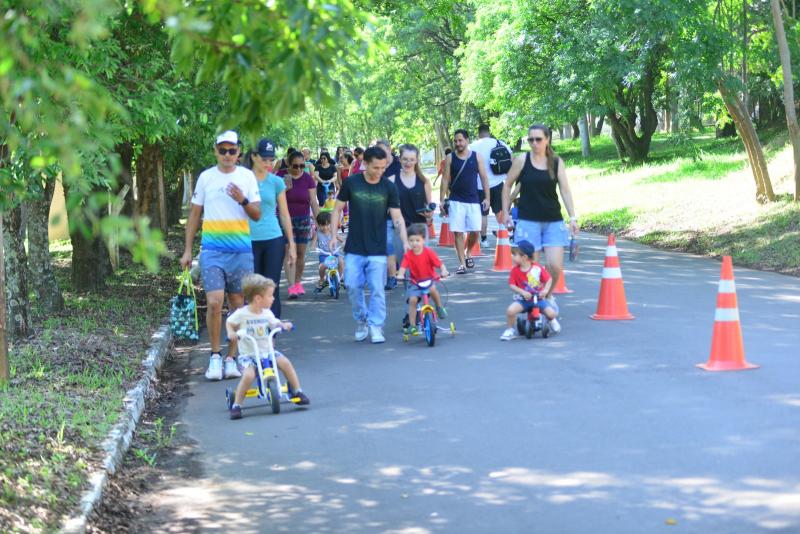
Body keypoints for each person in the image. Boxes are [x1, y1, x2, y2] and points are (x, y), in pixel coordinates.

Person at [180, 130, 262, 381]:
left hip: (240, 251)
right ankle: (215, 356)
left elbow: (257, 214)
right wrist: (187, 250)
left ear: (239, 152)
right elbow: (194, 215)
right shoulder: (206, 178)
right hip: (212, 250)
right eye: (222, 150)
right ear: (216, 151)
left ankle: (231, 358)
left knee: (237, 305)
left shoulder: (247, 177)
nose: (227, 155)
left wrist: (242, 199)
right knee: (215, 302)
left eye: (232, 150)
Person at [330, 146, 409, 343]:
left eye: (383, 168)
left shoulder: (388, 187)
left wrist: (405, 241)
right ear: (365, 163)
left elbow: (397, 216)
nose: (380, 172)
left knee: (377, 288)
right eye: (376, 167)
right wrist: (333, 235)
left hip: (377, 247)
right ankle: (362, 319)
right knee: (352, 285)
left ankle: (376, 325)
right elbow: (337, 209)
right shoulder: (351, 183)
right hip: (355, 247)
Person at [502, 124, 578, 298]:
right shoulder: (522, 160)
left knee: (555, 266)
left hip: (553, 220)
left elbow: (565, 190)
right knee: (531, 266)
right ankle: (531, 301)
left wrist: (573, 217)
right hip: (528, 220)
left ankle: (546, 296)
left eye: (538, 139)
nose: (534, 143)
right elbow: (507, 185)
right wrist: (506, 213)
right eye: (531, 140)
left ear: (547, 140)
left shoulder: (556, 162)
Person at [225, 274, 310, 419]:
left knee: (285, 363)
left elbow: (275, 323)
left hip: (267, 352)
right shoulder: (242, 314)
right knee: (249, 375)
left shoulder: (267, 313)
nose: (273, 298)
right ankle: (237, 405)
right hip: (249, 355)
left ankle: (297, 391)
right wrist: (231, 332)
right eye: (270, 296)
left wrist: (283, 325)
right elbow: (229, 322)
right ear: (258, 298)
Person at [246, 138, 297, 318]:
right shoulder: (242, 179)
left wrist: (291, 244)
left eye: (271, 159)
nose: (268, 163)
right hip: (247, 241)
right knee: (253, 290)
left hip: (273, 239)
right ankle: (255, 336)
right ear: (253, 157)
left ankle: (270, 338)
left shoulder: (276, 182)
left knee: (270, 288)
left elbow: (284, 214)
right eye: (264, 159)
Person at [439, 129, 490, 275]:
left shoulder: (476, 157)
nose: (457, 143)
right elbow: (444, 179)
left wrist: (487, 197)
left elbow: (484, 178)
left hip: (473, 200)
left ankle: (468, 252)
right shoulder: (450, 158)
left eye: (460, 140)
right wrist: (441, 199)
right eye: (455, 141)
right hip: (456, 200)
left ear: (467, 140)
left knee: (475, 230)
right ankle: (462, 263)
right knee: (458, 233)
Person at [277, 151, 321, 298]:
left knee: (301, 253)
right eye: (296, 166)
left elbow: (313, 202)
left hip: (303, 219)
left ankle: (297, 282)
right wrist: (285, 188)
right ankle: (290, 286)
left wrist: (320, 221)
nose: (299, 169)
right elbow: (273, 198)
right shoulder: (280, 176)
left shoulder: (308, 179)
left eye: (302, 165)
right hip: (285, 219)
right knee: (289, 251)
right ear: (289, 164)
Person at [500, 240, 560, 341]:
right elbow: (512, 285)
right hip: (524, 300)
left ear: (524, 257)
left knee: (551, 314)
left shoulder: (537, 268)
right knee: (510, 311)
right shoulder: (515, 271)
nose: (512, 257)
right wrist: (522, 292)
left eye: (515, 254)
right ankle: (510, 330)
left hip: (539, 299)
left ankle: (552, 321)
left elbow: (548, 279)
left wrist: (545, 291)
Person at [396, 223, 449, 336]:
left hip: (429, 279)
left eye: (417, 240)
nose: (414, 243)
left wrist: (443, 271)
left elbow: (440, 264)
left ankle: (439, 307)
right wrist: (400, 275)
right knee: (413, 300)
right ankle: (412, 325)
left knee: (433, 289)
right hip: (415, 282)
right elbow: (403, 267)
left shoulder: (428, 252)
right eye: (411, 240)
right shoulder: (408, 255)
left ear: (423, 240)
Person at [470, 124, 512, 244]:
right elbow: (511, 159)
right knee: (500, 210)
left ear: (479, 133)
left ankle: (483, 239)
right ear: (489, 132)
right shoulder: (499, 143)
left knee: (483, 213)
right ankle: (503, 235)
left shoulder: (473, 146)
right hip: (498, 182)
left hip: (480, 185)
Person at [375, 140, 402, 289]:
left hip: (402, 212)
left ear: (389, 149)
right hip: (384, 213)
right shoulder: (378, 166)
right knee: (388, 245)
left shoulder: (400, 164)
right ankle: (391, 277)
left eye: (382, 150)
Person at [396, 144, 433, 229]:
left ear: (416, 160)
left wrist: (429, 215)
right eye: (405, 159)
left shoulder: (424, 181)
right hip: (398, 230)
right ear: (399, 159)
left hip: (419, 231)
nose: (408, 163)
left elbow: (429, 208)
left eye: (412, 160)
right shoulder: (391, 180)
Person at [314, 211, 345, 292]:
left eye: (327, 225)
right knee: (322, 267)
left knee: (341, 261)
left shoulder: (333, 232)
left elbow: (342, 240)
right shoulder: (318, 234)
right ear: (318, 225)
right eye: (322, 225)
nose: (325, 227)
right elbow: (313, 244)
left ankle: (340, 277)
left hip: (334, 253)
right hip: (324, 255)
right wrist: (313, 247)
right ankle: (321, 279)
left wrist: (344, 243)